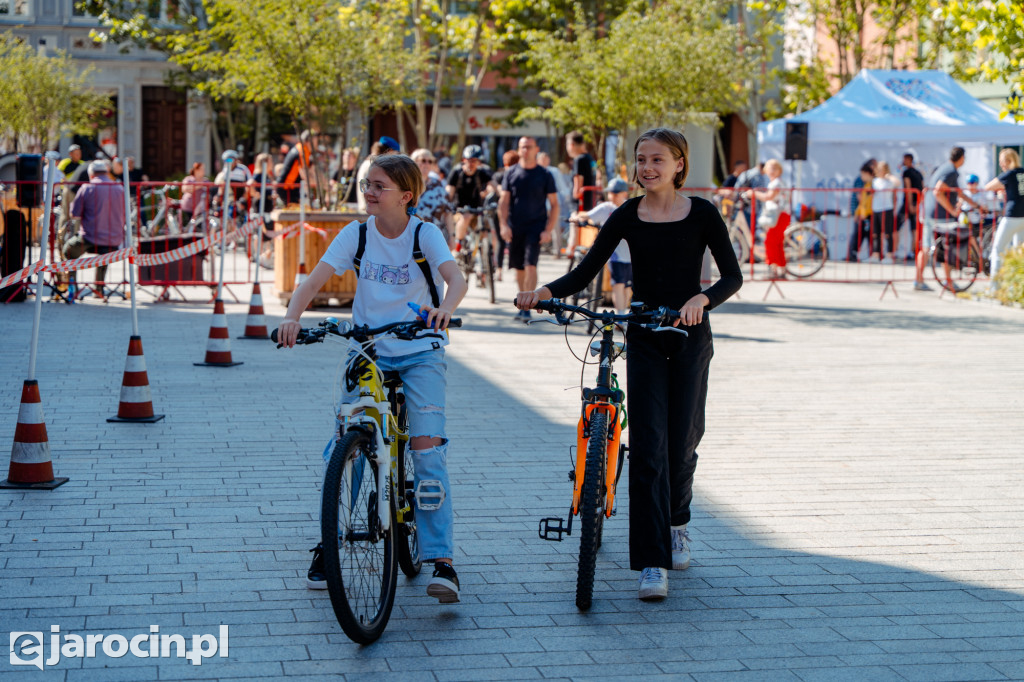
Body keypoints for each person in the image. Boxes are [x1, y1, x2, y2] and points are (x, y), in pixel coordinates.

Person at [515, 128, 742, 601]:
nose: (647, 168)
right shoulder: (626, 215)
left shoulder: (702, 213)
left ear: (680, 164)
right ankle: (652, 562)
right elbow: (585, 271)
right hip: (641, 336)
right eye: (641, 159)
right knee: (648, 447)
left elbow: (732, 276)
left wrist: (703, 297)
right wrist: (544, 293)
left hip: (689, 336)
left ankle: (678, 519)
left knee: (682, 443)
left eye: (658, 159)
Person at [277, 154, 468, 603]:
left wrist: (446, 309)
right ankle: (332, 540)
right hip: (367, 351)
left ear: (406, 195)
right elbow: (312, 281)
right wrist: (291, 318)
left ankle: (442, 561)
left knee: (426, 451)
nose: (369, 192)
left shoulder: (425, 233)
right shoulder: (356, 234)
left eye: (379, 186)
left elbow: (455, 281)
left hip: (420, 350)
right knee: (350, 445)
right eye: (367, 184)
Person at [499, 136, 559, 323]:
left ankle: (528, 306)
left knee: (531, 264)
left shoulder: (545, 174)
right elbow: (504, 201)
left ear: (536, 149)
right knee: (519, 268)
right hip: (516, 226)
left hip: (536, 226)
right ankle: (524, 300)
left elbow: (555, 204)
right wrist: (503, 225)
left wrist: (548, 229)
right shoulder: (511, 173)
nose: (525, 150)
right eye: (522, 147)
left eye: (529, 147)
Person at [63, 160, 125, 297]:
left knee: (68, 250)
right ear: (107, 172)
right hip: (114, 240)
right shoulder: (120, 188)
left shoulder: (87, 188)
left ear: (91, 174)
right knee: (104, 255)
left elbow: (74, 214)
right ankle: (99, 288)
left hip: (90, 238)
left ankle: (72, 287)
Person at [573, 177, 632, 312]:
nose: (613, 196)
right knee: (618, 285)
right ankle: (621, 317)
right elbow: (587, 215)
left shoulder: (629, 208)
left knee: (628, 287)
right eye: (611, 193)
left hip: (631, 253)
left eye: (616, 193)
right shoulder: (606, 208)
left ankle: (623, 314)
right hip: (614, 254)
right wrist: (575, 217)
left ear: (624, 194)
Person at [915, 146, 966, 291]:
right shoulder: (951, 171)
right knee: (946, 248)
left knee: (926, 248)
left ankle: (918, 280)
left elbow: (958, 192)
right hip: (941, 216)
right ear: (961, 158)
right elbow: (938, 192)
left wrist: (974, 203)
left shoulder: (945, 168)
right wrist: (952, 210)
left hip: (930, 213)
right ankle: (948, 281)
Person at [984, 148, 1024, 291]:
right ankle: (1017, 287)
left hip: (1012, 215)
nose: (1001, 165)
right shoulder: (1023, 172)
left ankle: (995, 287)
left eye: (1001, 162)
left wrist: (1004, 188)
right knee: (1019, 252)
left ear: (1007, 161)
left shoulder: (1008, 174)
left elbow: (988, 187)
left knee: (998, 250)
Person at [446, 144, 492, 246]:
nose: (471, 163)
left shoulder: (482, 172)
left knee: (487, 227)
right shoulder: (457, 172)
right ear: (464, 160)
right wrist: (447, 204)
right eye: (469, 160)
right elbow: (449, 191)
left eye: (474, 161)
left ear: (479, 162)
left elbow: (493, 185)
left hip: (477, 209)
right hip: (460, 210)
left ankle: (488, 256)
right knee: (466, 217)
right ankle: (458, 245)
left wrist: (489, 192)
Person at [751, 159, 789, 279]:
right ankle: (780, 270)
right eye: (770, 168)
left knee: (770, 242)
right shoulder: (776, 182)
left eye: (774, 168)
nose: (772, 171)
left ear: (779, 171)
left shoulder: (776, 183)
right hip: (779, 215)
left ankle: (773, 270)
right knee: (776, 242)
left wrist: (753, 194)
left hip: (778, 216)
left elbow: (769, 197)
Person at [564, 131, 597, 256]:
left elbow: (578, 180)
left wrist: (575, 193)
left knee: (576, 229)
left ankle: (572, 251)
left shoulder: (578, 159)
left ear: (571, 144)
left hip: (581, 203)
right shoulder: (590, 158)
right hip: (590, 201)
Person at [412, 148, 452, 246]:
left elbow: (448, 212)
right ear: (414, 162)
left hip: (435, 239)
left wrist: (452, 236)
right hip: (412, 238)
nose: (427, 164)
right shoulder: (408, 185)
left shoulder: (437, 184)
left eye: (430, 161)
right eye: (423, 160)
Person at [490, 150, 519, 278]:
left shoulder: (498, 176)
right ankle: (516, 270)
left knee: (501, 241)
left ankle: (499, 270)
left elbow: (492, 190)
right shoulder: (518, 175)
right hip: (514, 212)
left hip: (499, 211)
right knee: (515, 239)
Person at [248, 153, 277, 268]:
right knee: (259, 232)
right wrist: (254, 194)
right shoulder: (258, 175)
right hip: (260, 206)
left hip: (268, 206)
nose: (272, 164)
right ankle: (258, 255)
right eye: (270, 162)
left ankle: (265, 256)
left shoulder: (268, 176)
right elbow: (250, 184)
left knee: (268, 231)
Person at [356, 137, 399, 212]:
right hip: (372, 211)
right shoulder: (375, 166)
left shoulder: (368, 163)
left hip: (368, 209)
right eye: (396, 154)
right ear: (390, 151)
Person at [871, 161, 900, 263]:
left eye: (882, 169)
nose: (880, 171)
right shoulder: (874, 181)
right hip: (876, 209)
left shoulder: (889, 181)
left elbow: (898, 183)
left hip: (887, 209)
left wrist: (889, 175)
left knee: (888, 233)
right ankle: (876, 255)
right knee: (876, 234)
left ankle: (889, 255)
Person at [276, 131, 315, 206]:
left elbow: (311, 171)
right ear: (308, 142)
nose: (316, 144)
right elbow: (303, 173)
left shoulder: (304, 150)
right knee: (294, 212)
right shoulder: (302, 151)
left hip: (292, 188)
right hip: (286, 188)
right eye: (315, 141)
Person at [898, 153, 923, 262]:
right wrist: (918, 204)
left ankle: (893, 251)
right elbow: (922, 189)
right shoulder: (918, 173)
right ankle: (914, 252)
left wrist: (909, 205)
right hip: (917, 203)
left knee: (896, 227)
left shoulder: (907, 172)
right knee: (915, 229)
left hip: (909, 204)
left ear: (908, 160)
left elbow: (908, 189)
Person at [847, 162, 875, 262]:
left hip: (868, 215)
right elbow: (862, 202)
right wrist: (858, 213)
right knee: (858, 234)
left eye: (863, 174)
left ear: (868, 173)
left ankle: (873, 254)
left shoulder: (872, 185)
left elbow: (868, 202)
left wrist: (864, 213)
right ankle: (852, 254)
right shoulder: (867, 185)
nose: (861, 176)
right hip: (863, 214)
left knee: (870, 235)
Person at [179, 162, 208, 229]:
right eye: (201, 169)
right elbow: (185, 189)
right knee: (188, 227)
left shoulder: (206, 180)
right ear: (196, 170)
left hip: (200, 208)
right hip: (189, 207)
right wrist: (199, 185)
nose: (203, 171)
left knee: (199, 227)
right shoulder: (189, 179)